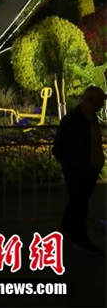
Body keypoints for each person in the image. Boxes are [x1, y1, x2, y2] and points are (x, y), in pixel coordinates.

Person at [52, 85, 106, 254]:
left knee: (78, 203)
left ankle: (68, 233)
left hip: (89, 168)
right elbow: (58, 148)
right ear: (90, 101)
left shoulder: (91, 118)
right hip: (78, 170)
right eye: (100, 102)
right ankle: (79, 238)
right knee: (79, 204)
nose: (102, 106)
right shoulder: (72, 121)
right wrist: (72, 166)